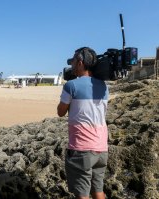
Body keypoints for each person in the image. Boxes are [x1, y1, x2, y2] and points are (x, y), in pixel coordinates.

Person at [57, 47, 109, 199]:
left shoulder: (71, 85)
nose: (71, 64)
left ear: (80, 63)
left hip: (82, 149)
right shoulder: (104, 86)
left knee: (82, 194)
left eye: (73, 61)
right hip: (101, 148)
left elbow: (60, 112)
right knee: (98, 190)